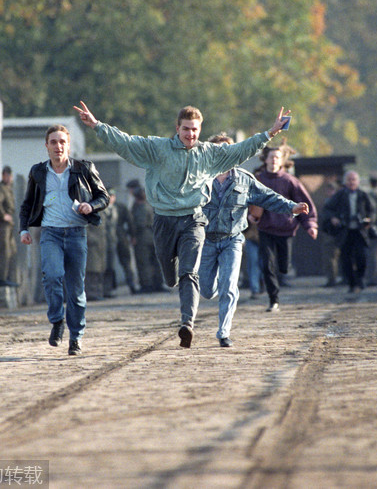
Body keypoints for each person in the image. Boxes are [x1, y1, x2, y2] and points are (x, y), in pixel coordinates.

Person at [74, 101, 290, 348]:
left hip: (194, 219)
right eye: (186, 129)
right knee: (171, 276)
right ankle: (173, 277)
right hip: (164, 220)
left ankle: (187, 324)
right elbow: (126, 142)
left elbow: (241, 150)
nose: (191, 134)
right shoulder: (158, 149)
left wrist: (270, 132)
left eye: (195, 129)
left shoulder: (208, 153)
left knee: (189, 272)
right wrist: (97, 126)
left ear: (200, 129)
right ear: (177, 128)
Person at [199, 133, 308, 347]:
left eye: (227, 150)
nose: (222, 154)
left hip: (232, 240)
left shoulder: (244, 179)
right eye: (217, 150)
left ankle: (223, 332)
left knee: (229, 286)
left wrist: (291, 207)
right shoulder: (199, 178)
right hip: (207, 241)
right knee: (206, 289)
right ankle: (215, 283)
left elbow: (268, 197)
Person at [19, 124, 109, 355]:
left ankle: (76, 338)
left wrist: (91, 205)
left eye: (62, 142)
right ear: (46, 146)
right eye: (53, 142)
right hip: (51, 234)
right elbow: (27, 204)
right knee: (52, 275)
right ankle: (57, 320)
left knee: (76, 289)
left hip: (77, 234)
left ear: (68, 145)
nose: (58, 146)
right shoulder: (38, 172)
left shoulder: (83, 168)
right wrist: (23, 229)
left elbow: (103, 196)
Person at [255, 146, 318, 312]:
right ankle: (273, 299)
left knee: (283, 267)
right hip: (265, 228)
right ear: (265, 159)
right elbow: (247, 201)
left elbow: (305, 205)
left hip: (286, 229)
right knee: (267, 265)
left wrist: (310, 225)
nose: (274, 160)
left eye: (277, 157)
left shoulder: (290, 181)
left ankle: (281, 272)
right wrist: (251, 215)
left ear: (282, 160)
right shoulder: (258, 180)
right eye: (271, 157)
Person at [321, 171, 375, 294]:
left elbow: (372, 210)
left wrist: (369, 219)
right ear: (345, 182)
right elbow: (327, 209)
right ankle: (351, 283)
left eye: (354, 179)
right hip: (345, 232)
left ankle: (360, 279)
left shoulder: (363, 195)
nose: (351, 182)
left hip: (360, 231)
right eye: (349, 180)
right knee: (346, 259)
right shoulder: (339, 195)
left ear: (358, 181)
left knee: (362, 257)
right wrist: (333, 218)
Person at [130, 186, 164, 293]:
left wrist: (133, 235)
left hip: (142, 238)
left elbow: (139, 224)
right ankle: (158, 284)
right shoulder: (152, 205)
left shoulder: (140, 207)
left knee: (144, 262)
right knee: (156, 262)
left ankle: (147, 285)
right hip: (154, 237)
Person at [0, 166, 18, 287]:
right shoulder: (1, 188)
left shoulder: (8, 188)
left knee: (12, 250)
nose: (9, 178)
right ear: (3, 176)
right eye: (6, 175)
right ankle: (1, 278)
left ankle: (7, 276)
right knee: (4, 249)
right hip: (2, 224)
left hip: (9, 224)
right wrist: (3, 215)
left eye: (10, 176)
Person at [319, 181, 342, 287]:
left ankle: (333, 279)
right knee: (329, 257)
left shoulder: (335, 202)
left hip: (334, 233)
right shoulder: (328, 202)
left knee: (332, 257)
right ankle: (331, 278)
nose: (329, 192)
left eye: (331, 190)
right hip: (328, 232)